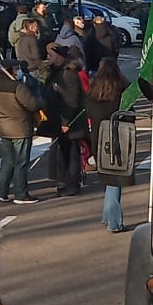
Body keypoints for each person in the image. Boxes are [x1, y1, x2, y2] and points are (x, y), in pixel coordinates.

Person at [84, 59, 130, 232]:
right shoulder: (122, 93)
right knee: (115, 181)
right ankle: (114, 222)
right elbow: (129, 116)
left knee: (108, 179)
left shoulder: (92, 94)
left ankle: (107, 215)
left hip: (98, 139)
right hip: (118, 139)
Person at [0, 66, 40, 205]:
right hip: (20, 127)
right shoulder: (17, 87)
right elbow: (32, 104)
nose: (18, 72)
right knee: (21, 162)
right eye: (16, 69)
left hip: (4, 127)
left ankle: (2, 192)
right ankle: (21, 194)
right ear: (10, 71)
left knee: (7, 161)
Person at [42, 48, 87, 196]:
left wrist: (66, 122)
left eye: (51, 55)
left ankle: (72, 184)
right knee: (62, 154)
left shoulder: (68, 74)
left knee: (72, 155)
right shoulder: (56, 71)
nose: (48, 57)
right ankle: (64, 182)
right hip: (58, 120)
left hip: (70, 123)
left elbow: (71, 101)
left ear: (60, 57)